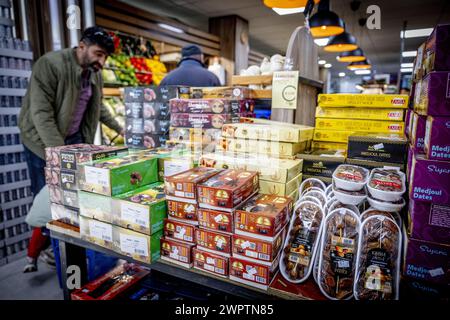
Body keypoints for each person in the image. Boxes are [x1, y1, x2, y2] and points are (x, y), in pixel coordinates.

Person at [19, 26, 123, 272]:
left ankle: (67, 245)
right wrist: (58, 155)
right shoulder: (50, 65)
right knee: (48, 197)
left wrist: (120, 128)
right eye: (98, 54)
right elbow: (41, 114)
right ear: (82, 46)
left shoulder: (93, 72)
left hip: (72, 139)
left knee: (71, 198)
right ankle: (46, 249)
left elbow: (100, 108)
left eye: (105, 57)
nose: (102, 61)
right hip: (40, 140)